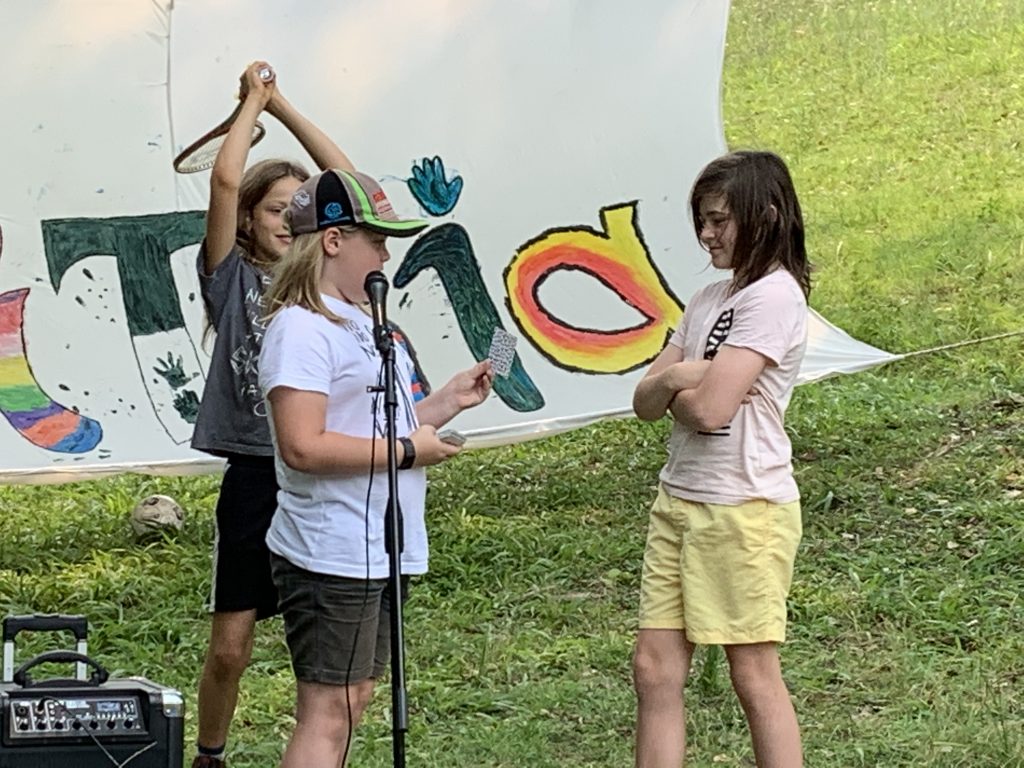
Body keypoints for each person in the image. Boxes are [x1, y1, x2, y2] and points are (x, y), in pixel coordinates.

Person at [258, 168, 494, 768]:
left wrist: (445, 403)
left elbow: (377, 422)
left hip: (379, 543)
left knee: (354, 697)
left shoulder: (364, 320)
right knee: (329, 709)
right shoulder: (300, 328)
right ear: (333, 240)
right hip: (330, 547)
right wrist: (410, 452)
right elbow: (303, 445)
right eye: (378, 241)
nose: (387, 255)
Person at [189, 61, 356, 768]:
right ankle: (210, 754)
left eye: (299, 209)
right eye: (274, 210)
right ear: (249, 223)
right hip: (257, 475)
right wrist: (250, 105)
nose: (288, 221)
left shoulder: (328, 276)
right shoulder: (231, 278)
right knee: (231, 648)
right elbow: (224, 182)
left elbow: (348, 184)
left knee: (320, 655)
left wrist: (281, 103)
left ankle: (315, 745)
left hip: (319, 476)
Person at [631, 150, 811, 768]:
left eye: (718, 221)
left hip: (743, 507)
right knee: (653, 668)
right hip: (679, 497)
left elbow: (710, 411)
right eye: (702, 221)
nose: (706, 234)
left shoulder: (774, 297)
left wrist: (683, 388)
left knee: (752, 672)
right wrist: (679, 376)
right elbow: (644, 401)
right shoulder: (708, 297)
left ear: (766, 216)